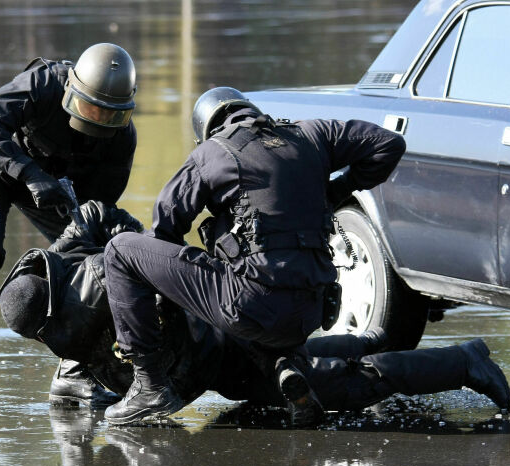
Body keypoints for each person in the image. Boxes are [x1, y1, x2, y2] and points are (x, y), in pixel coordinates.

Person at [0, 201, 510, 425]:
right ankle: (370, 339)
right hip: (222, 313)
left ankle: (463, 362)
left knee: (333, 387)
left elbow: (155, 347)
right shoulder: (63, 261)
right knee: (306, 364)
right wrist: (155, 243)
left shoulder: (85, 306)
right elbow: (94, 215)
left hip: (218, 343)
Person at [101, 86, 407, 424]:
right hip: (310, 314)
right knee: (257, 261)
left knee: (121, 251)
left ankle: (150, 387)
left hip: (250, 308)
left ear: (206, 130)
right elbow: (389, 144)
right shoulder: (313, 134)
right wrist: (334, 191)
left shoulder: (212, 153)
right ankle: (285, 364)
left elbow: (163, 231)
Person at [0, 43, 138, 411]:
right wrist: (29, 173)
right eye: (88, 108)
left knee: (92, 258)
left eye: (109, 116)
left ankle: (74, 371)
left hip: (53, 186)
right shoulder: (42, 83)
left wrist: (76, 242)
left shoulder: (122, 142)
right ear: (72, 90)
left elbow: (98, 207)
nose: (98, 120)